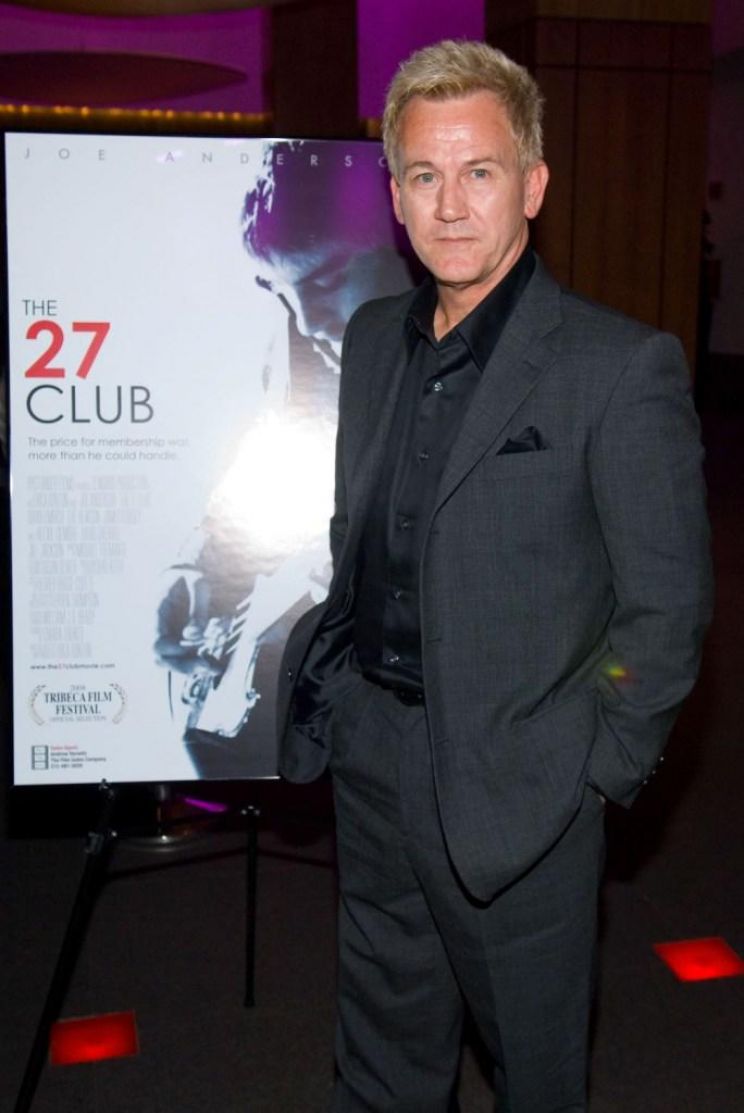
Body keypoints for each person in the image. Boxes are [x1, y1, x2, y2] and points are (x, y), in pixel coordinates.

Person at [276, 40, 714, 1112]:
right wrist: (345, 707)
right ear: (394, 197)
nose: (452, 204)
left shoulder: (618, 367)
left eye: (480, 171)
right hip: (372, 759)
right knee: (379, 1064)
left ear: (534, 184)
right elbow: (359, 529)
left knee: (536, 1075)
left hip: (524, 788)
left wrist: (592, 768)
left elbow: (667, 609)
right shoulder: (371, 339)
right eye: (424, 175)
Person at [154, 141, 412, 777]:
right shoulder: (300, 345)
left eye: (324, 282)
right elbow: (260, 475)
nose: (307, 320)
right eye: (280, 291)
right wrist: (203, 567)